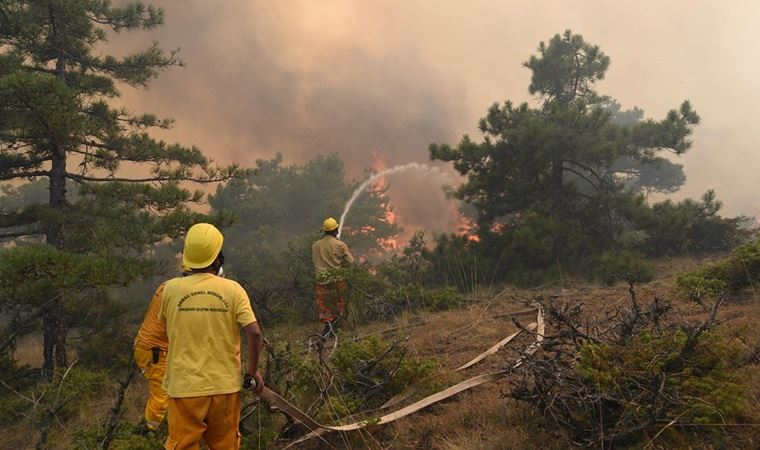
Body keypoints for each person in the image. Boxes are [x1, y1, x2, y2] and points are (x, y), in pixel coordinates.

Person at [158, 223, 264, 450]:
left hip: (184, 388)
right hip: (224, 388)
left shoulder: (169, 289)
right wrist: (252, 371)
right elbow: (254, 332)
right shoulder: (234, 289)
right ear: (217, 259)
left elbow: (167, 328)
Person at [311, 217, 355, 337]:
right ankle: (337, 325)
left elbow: (315, 262)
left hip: (321, 281)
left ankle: (328, 327)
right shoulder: (339, 245)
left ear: (324, 231)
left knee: (323, 305)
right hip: (337, 280)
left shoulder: (315, 246)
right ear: (335, 230)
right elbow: (350, 261)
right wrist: (341, 264)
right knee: (339, 302)